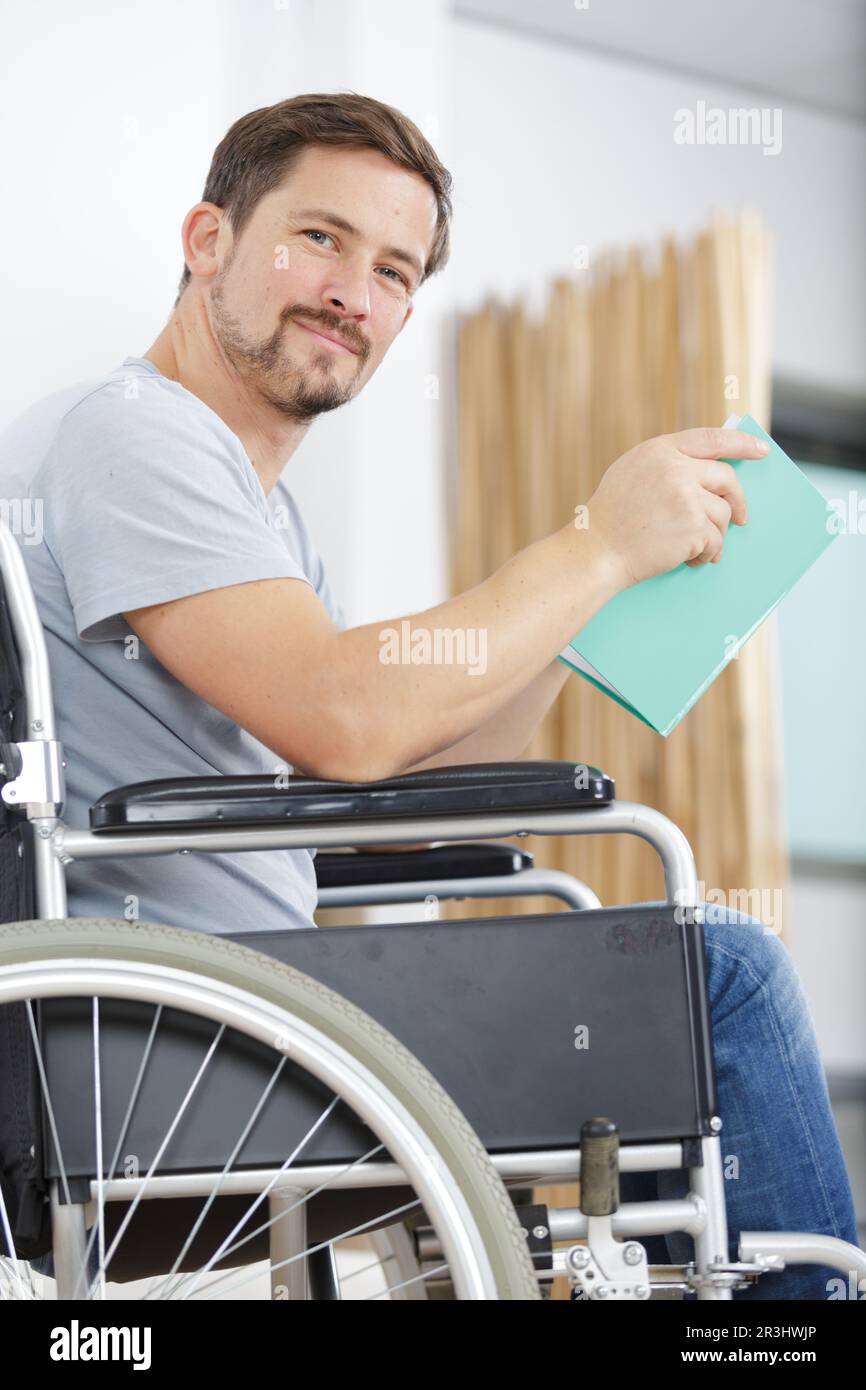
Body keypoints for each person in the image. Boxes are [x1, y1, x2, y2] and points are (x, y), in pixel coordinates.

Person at [0, 93, 859, 1299]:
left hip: (246, 1020)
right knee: (716, 976)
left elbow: (397, 782)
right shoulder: (135, 438)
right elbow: (350, 716)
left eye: (394, 268)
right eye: (320, 238)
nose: (355, 290)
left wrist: (591, 602)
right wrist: (591, 545)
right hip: (193, 1039)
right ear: (208, 241)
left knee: (684, 994)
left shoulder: (252, 505)